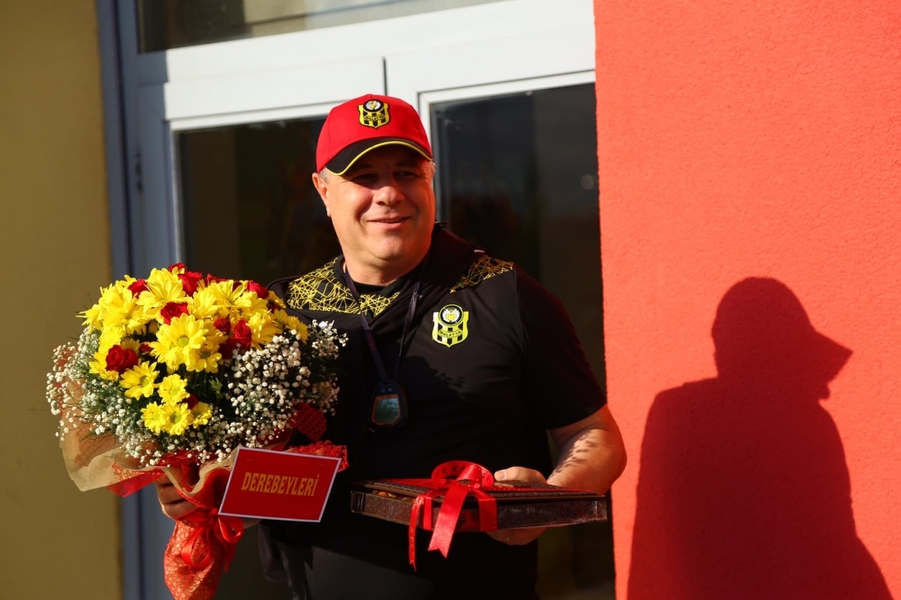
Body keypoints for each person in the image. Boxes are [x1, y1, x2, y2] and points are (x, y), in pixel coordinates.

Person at [156, 93, 627, 599]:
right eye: (364, 177)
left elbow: (596, 435)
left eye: (406, 173)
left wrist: (547, 500)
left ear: (431, 179)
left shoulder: (506, 295)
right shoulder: (281, 314)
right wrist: (202, 492)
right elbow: (260, 482)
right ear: (323, 190)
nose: (389, 194)